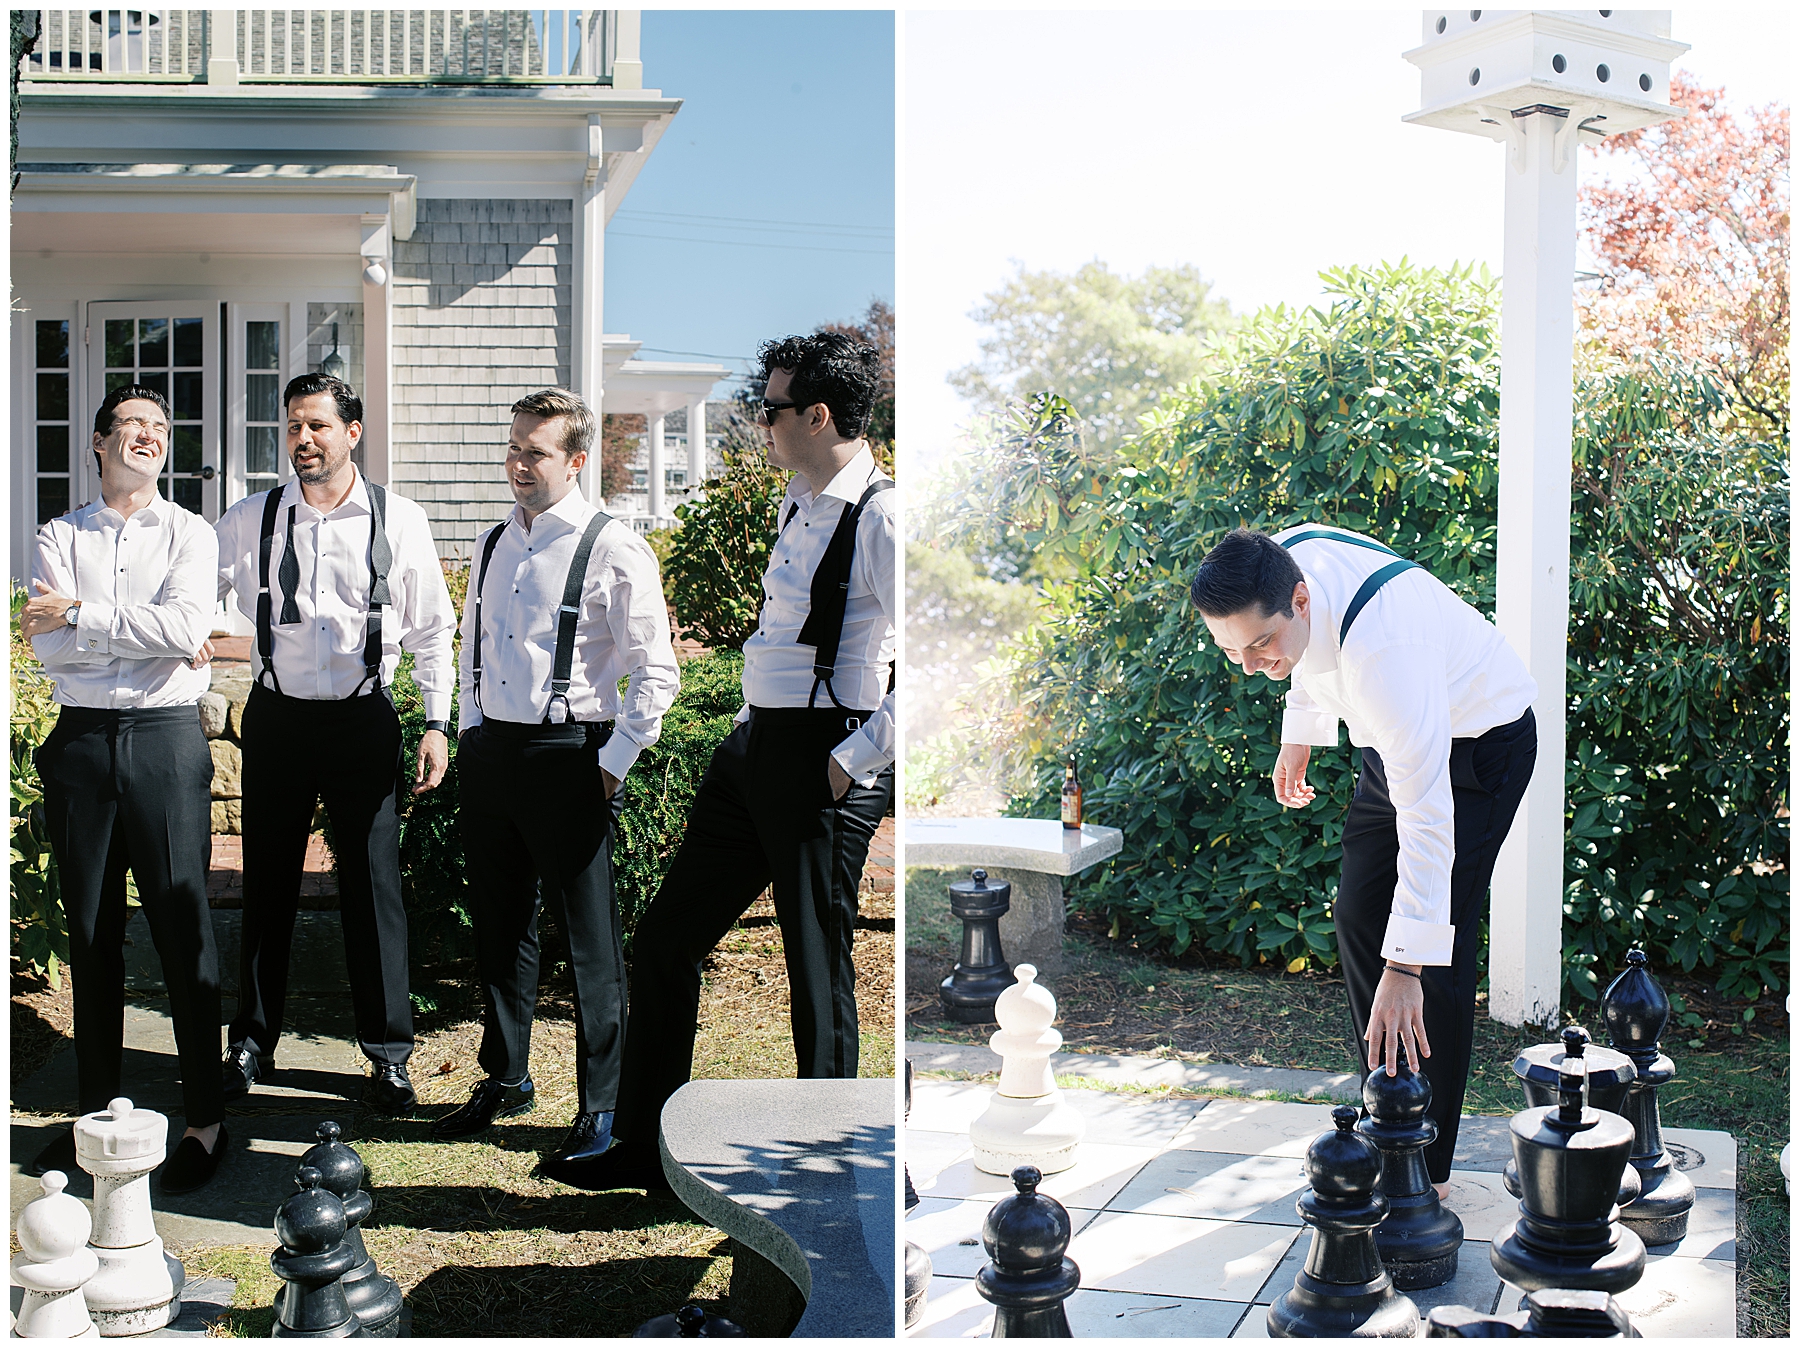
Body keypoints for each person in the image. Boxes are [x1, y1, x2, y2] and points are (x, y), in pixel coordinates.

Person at [563, 331, 895, 1191]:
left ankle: (834, 1178)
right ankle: (643, 1149)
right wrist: (749, 721)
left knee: (816, 976)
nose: (764, 422)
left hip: (824, 756)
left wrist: (853, 761)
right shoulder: (799, 497)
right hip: (757, 749)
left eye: (775, 408)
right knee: (666, 941)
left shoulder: (883, 516)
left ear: (819, 415)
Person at [1189, 524, 1538, 1192]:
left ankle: (1421, 1171)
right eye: (1231, 650)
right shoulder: (1281, 563)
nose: (1248, 663)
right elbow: (1301, 657)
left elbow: (1430, 821)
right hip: (1395, 746)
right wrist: (1301, 734)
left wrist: (1405, 965)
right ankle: (1390, 1106)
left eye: (1259, 644)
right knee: (1356, 915)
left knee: (1436, 950)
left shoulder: (1388, 656)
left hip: (1482, 745)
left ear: (1298, 599)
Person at [432, 387, 681, 1181]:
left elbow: (657, 674)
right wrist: (471, 727)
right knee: (501, 930)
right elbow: (474, 645)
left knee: (591, 945)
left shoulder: (614, 546)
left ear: (576, 461)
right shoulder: (493, 540)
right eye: (512, 448)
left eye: (535, 452)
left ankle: (602, 1108)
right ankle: (505, 1078)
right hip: (493, 756)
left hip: (572, 755)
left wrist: (610, 767)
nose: (518, 464)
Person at [213, 373, 456, 1113]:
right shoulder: (249, 518)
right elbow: (201, 613)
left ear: (353, 432)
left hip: (362, 720)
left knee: (374, 887)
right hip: (279, 718)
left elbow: (431, 627)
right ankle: (251, 1041)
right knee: (269, 886)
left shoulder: (399, 518)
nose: (304, 440)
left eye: (317, 425)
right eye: (292, 427)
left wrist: (438, 721)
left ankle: (387, 1055)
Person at [21, 384, 228, 1192]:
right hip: (79, 746)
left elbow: (187, 632)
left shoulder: (190, 532)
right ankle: (93, 1118)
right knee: (93, 934)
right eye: (131, 426)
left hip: (165, 745)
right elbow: (49, 652)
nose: (147, 436)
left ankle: (206, 1122)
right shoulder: (56, 532)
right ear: (99, 444)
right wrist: (99, 627)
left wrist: (83, 616)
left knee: (183, 929)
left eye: (160, 427)